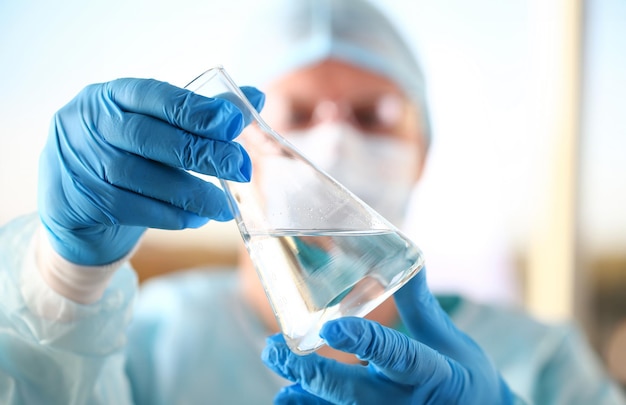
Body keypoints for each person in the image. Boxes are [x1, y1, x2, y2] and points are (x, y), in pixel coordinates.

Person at [0, 0, 624, 404]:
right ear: (227, 139)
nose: (333, 140)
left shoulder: (540, 362)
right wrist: (66, 286)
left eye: (373, 115)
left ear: (424, 149)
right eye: (294, 114)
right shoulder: (151, 343)